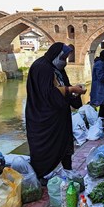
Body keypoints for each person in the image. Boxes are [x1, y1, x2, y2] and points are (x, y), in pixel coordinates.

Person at [25, 42, 86, 183]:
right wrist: (71, 90)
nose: (65, 61)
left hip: (60, 116)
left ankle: (68, 170)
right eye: (63, 57)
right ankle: (41, 175)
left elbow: (65, 87)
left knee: (65, 143)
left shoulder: (57, 68)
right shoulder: (42, 67)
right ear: (56, 55)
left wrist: (76, 94)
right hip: (43, 117)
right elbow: (47, 94)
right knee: (44, 148)